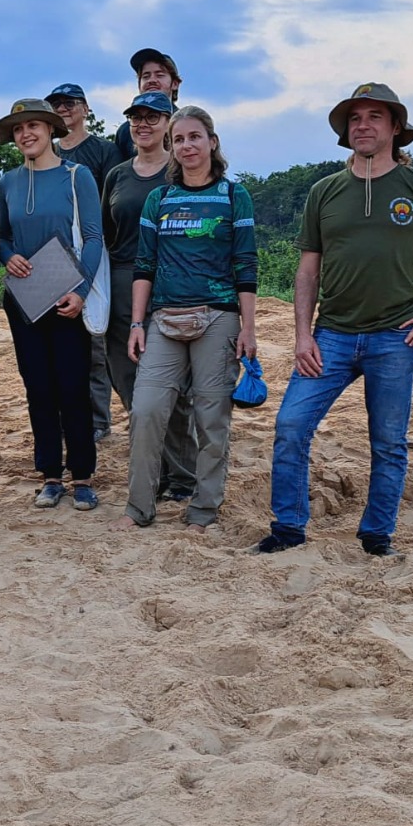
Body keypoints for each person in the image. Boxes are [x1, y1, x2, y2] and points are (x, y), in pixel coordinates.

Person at [254, 83, 413, 558]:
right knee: (291, 425)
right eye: (355, 118)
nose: (362, 125)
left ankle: (377, 537)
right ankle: (289, 529)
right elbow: (307, 270)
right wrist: (302, 335)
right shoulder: (324, 191)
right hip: (331, 336)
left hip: (395, 337)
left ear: (396, 127)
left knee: (388, 443)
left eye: (374, 116)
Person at [110, 106, 257, 533]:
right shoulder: (160, 199)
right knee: (146, 410)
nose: (187, 146)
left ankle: (203, 511)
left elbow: (246, 265)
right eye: (179, 139)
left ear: (212, 142)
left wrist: (249, 328)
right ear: (171, 148)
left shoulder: (234, 196)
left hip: (218, 318)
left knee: (211, 418)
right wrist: (137, 324)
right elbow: (144, 265)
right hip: (164, 319)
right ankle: (138, 507)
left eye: (195, 137)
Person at [0, 99, 104, 511]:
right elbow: (0, 236)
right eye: (19, 129)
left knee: (73, 387)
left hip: (66, 296)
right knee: (38, 387)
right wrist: (8, 257)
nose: (26, 134)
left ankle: (83, 476)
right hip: (24, 299)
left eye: (34, 126)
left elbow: (93, 237)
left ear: (51, 130)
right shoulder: (7, 182)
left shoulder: (77, 176)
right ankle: (50, 476)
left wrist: (82, 290)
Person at [101, 92, 198, 501]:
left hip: (170, 286)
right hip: (121, 283)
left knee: (171, 387)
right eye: (136, 117)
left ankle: (183, 476)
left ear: (168, 125)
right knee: (128, 382)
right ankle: (154, 471)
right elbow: (105, 234)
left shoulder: (182, 174)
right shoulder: (117, 176)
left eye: (152, 117)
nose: (142, 124)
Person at [45, 81, 122, 442]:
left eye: (70, 103)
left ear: (86, 108)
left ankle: (98, 420)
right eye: (57, 104)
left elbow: (112, 202)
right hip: (52, 256)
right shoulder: (47, 150)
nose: (64, 109)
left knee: (94, 339)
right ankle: (67, 417)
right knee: (58, 341)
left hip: (93, 249)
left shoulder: (104, 151)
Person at [110, 48, 184, 162]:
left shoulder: (188, 123)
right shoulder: (126, 131)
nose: (152, 80)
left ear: (175, 84)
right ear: (139, 85)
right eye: (146, 76)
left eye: (159, 75)